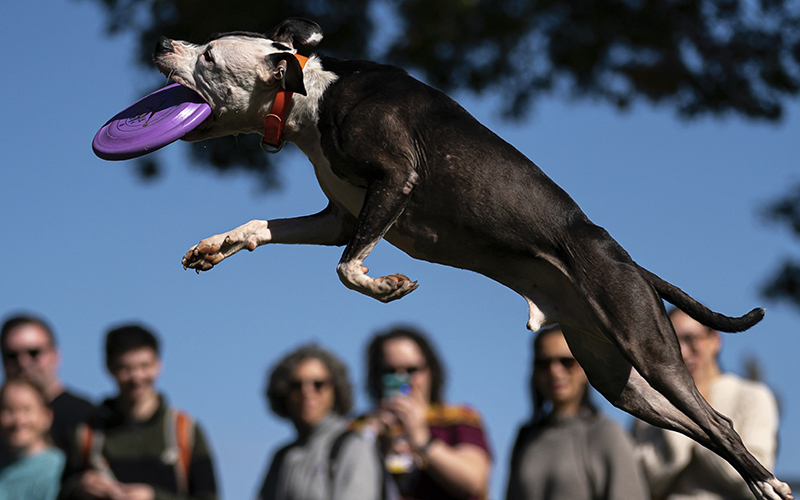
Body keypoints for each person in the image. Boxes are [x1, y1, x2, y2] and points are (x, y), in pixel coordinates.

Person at [633, 308, 780, 500]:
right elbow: (639, 483)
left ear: (715, 341)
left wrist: (697, 425)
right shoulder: (653, 406)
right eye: (670, 343)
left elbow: (758, 477)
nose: (683, 353)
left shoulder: (752, 396)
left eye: (691, 339)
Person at [60, 323, 218, 500]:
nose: (136, 377)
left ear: (159, 364)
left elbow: (209, 496)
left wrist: (153, 497)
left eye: (145, 366)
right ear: (109, 367)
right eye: (125, 368)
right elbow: (61, 491)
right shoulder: (87, 434)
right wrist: (80, 487)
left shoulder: (185, 431)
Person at [504, 325, 648, 500]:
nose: (555, 371)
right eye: (544, 363)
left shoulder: (607, 433)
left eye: (567, 362)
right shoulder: (525, 437)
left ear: (585, 366)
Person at [363, 326, 492, 500]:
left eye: (411, 370)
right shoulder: (361, 427)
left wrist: (421, 440)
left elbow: (473, 482)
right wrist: (368, 439)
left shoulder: (458, 419)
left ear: (430, 371)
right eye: (390, 371)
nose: (402, 380)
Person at [257, 344, 384, 500]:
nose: (307, 392)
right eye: (297, 385)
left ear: (335, 390)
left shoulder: (352, 447)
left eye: (318, 384)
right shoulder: (281, 457)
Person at [1, 314, 95, 453]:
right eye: (12, 355)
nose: (23, 362)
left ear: (55, 354)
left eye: (34, 352)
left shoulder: (85, 416)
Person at [0, 378, 65, 500]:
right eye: (9, 410)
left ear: (46, 416)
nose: (18, 420)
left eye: (27, 410)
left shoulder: (63, 470)